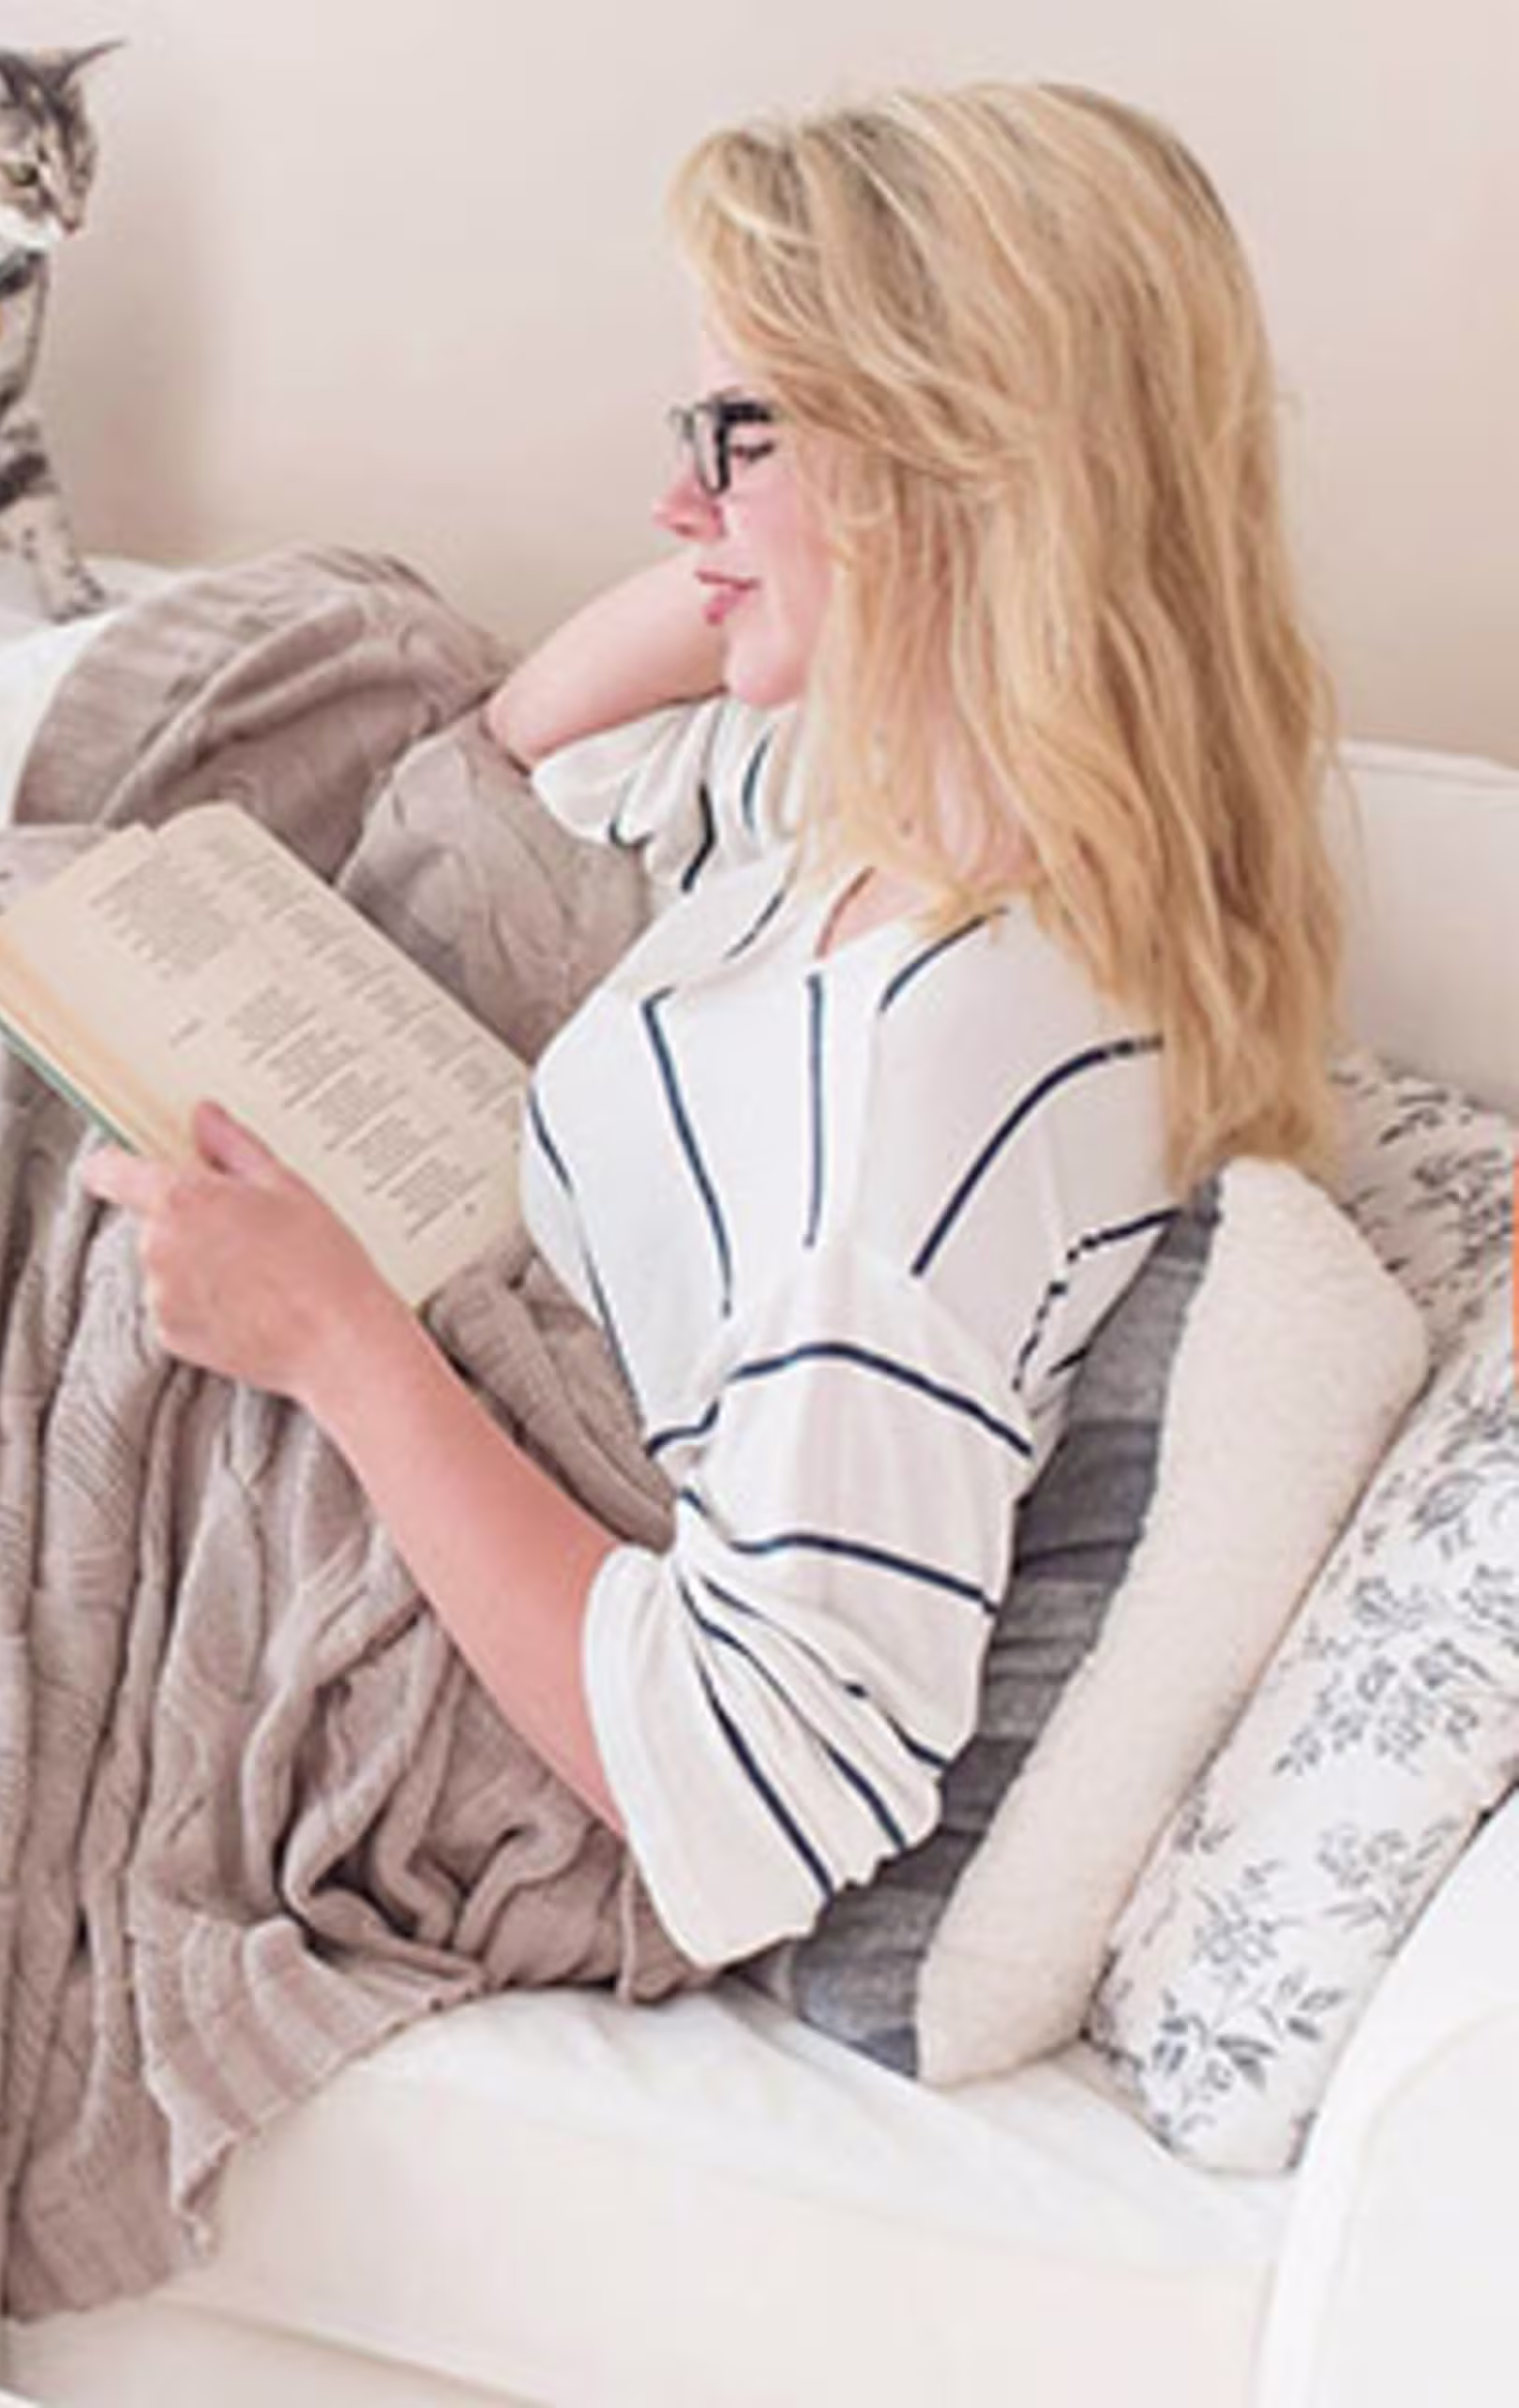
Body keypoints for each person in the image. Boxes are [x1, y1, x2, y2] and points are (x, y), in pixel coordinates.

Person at [83, 82, 1345, 1969]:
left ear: (952, 464)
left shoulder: (932, 1069)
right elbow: (526, 763)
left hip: (504, 1723)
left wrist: (335, 1337)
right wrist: (785, 551)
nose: (676, 505)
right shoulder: (910, 814)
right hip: (454, 1356)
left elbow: (755, 1792)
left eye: (737, 434)